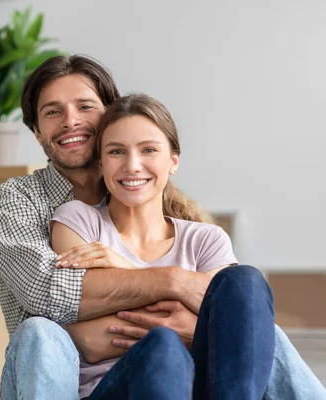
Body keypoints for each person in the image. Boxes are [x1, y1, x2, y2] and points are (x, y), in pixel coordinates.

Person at [0, 54, 326, 400]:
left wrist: (197, 325)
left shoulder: (175, 214)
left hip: (179, 375)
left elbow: (237, 313)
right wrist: (175, 282)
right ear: (37, 132)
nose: (71, 121)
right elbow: (46, 292)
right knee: (44, 332)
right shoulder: (26, 202)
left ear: (108, 114)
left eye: (85, 106)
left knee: (259, 323)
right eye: (53, 111)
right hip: (62, 377)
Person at [49, 93, 275, 398]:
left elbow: (237, 324)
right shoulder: (77, 221)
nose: (132, 165)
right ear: (101, 163)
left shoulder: (206, 239)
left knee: (246, 281)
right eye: (116, 152)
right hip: (111, 389)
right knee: (163, 346)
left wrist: (123, 270)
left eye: (149, 150)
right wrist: (188, 324)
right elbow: (83, 326)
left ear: (173, 161)